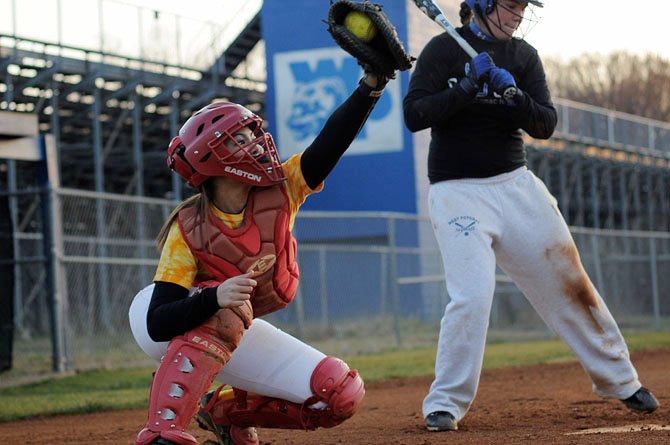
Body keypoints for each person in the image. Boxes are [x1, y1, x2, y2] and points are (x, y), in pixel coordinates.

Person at [403, 0, 659, 433]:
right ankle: (444, 403)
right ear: (482, 5)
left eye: (522, 9)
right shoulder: (443, 50)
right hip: (457, 191)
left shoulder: (523, 56)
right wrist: (466, 87)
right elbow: (415, 116)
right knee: (472, 296)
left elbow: (545, 124)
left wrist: (514, 96)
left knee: (568, 278)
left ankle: (621, 379)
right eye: (510, 7)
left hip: (516, 185)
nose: (518, 16)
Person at [128, 70, 389, 445]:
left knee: (337, 395)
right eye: (239, 138)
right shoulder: (189, 225)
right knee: (225, 309)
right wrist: (213, 298)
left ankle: (222, 413)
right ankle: (162, 432)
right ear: (211, 161)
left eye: (251, 134)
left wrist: (370, 87)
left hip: (230, 324)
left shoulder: (282, 191)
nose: (255, 142)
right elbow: (157, 322)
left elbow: (330, 144)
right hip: (166, 321)